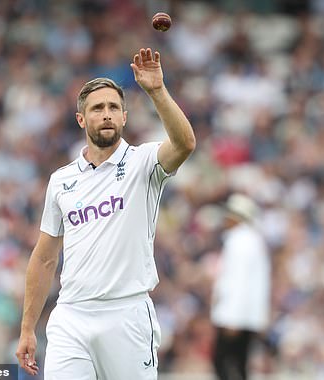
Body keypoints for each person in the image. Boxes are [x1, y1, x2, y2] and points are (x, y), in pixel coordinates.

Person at [15, 48, 196, 380]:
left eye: (114, 107)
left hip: (126, 314)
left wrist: (156, 92)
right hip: (71, 315)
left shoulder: (144, 163)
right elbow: (44, 259)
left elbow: (185, 143)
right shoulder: (61, 181)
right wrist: (27, 328)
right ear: (82, 119)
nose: (107, 114)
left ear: (125, 117)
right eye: (97, 108)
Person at [210, 194, 270, 380]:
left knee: (221, 360)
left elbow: (238, 281)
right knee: (240, 363)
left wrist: (232, 317)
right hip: (247, 315)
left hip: (234, 316)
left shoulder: (239, 241)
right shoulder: (252, 240)